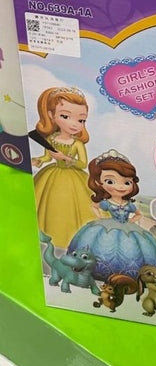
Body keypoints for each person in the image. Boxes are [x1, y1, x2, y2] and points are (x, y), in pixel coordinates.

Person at [67, 150, 156, 281]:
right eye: (110, 181)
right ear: (99, 183)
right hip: (107, 225)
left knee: (138, 249)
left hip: (128, 226)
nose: (120, 187)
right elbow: (94, 206)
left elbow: (138, 214)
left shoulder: (129, 204)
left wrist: (132, 220)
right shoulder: (107, 203)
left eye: (127, 182)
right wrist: (100, 217)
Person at [32, 86, 94, 248]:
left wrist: (65, 158)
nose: (74, 124)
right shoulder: (51, 138)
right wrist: (39, 160)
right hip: (51, 176)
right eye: (65, 116)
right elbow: (47, 157)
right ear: (51, 115)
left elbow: (83, 164)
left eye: (81, 120)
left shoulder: (77, 144)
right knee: (48, 208)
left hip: (74, 178)